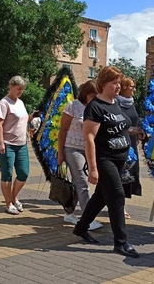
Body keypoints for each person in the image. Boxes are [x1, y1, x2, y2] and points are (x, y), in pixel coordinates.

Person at [72, 66, 139, 258]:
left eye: (119, 82)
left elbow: (121, 127)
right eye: (114, 83)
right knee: (117, 197)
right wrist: (93, 169)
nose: (118, 86)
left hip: (120, 160)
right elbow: (89, 139)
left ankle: (81, 227)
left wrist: (139, 131)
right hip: (104, 159)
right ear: (103, 84)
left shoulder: (115, 103)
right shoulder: (95, 107)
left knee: (101, 196)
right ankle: (121, 242)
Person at [57, 80, 103, 230]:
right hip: (72, 149)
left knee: (79, 183)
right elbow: (62, 130)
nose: (95, 97)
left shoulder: (97, 107)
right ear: (85, 94)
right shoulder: (73, 106)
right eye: (92, 94)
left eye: (97, 94)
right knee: (82, 182)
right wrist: (61, 153)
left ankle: (69, 213)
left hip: (91, 149)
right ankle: (88, 219)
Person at [0, 76, 38, 214]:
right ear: (11, 87)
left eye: (22, 89)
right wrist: (1, 143)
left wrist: (32, 117)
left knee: (23, 173)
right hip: (7, 143)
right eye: (18, 89)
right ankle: (8, 204)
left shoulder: (20, 103)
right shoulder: (3, 103)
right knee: (7, 174)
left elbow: (22, 120)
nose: (21, 92)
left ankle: (13, 197)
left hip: (21, 143)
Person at [117, 77, 144, 220]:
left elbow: (135, 120)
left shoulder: (131, 103)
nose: (134, 89)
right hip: (120, 144)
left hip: (132, 145)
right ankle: (119, 207)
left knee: (128, 175)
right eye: (131, 86)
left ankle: (117, 204)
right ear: (123, 87)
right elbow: (117, 125)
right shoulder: (117, 103)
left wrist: (140, 133)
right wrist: (134, 130)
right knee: (120, 176)